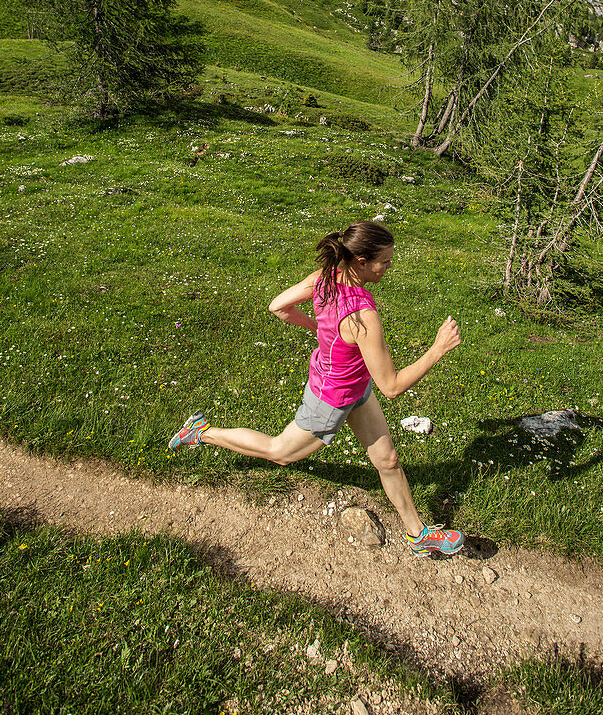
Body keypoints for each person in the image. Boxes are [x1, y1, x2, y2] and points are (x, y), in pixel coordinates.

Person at [168, 221, 464, 556]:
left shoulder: (323, 279)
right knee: (280, 452)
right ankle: (202, 431)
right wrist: (437, 349)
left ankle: (418, 534)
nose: (390, 267)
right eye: (385, 260)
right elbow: (392, 386)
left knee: (388, 459)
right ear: (362, 262)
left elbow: (278, 307)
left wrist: (323, 331)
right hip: (331, 398)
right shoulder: (362, 317)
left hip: (354, 385)